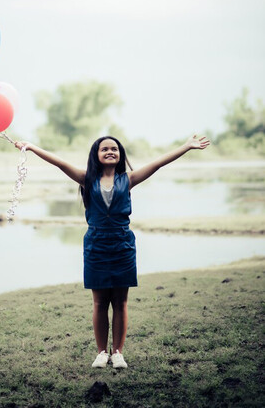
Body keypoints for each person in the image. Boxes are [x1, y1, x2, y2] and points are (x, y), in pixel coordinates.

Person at [14, 134, 210, 369]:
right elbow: (60, 163)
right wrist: (32, 147)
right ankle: (101, 353)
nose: (110, 152)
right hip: (96, 245)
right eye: (104, 149)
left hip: (122, 244)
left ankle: (117, 353)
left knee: (120, 302)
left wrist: (186, 147)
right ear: (96, 155)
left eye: (114, 149)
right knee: (99, 303)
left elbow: (158, 163)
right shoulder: (87, 179)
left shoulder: (128, 179)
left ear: (120, 155)